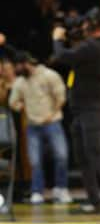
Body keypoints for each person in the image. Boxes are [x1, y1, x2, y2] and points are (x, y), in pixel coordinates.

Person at [52, 8, 100, 215]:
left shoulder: (94, 47)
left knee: (96, 151)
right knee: (83, 155)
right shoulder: (94, 46)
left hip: (93, 109)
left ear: (92, 26)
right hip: (83, 109)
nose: (81, 28)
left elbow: (63, 56)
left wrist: (56, 39)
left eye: (84, 25)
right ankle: (94, 200)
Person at [8, 51, 70, 204]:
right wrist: (23, 107)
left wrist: (53, 112)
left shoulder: (49, 75)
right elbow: (13, 102)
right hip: (33, 125)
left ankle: (61, 188)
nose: (16, 70)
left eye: (18, 66)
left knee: (61, 156)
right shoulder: (21, 82)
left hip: (52, 122)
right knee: (35, 161)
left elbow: (61, 96)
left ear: (25, 64)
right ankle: (37, 191)